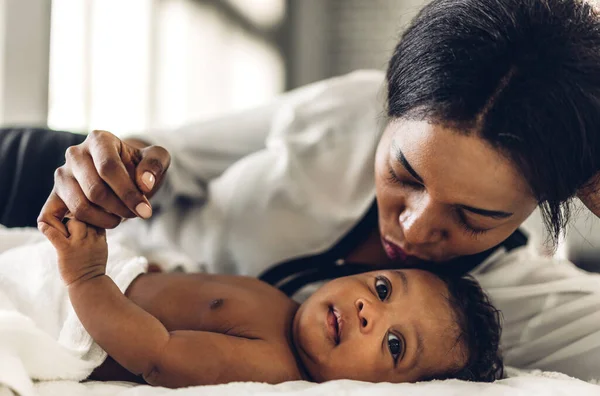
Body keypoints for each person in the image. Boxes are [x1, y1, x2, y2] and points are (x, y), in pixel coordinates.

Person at [2, 0, 600, 381]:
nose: (413, 230)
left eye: (474, 217)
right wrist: (129, 168)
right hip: (62, 201)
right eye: (404, 174)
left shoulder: (528, 309)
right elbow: (171, 154)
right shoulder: (348, 111)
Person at [0, 219, 503, 387]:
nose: (370, 311)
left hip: (78, 309)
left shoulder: (271, 363)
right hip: (106, 275)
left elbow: (158, 354)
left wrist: (86, 277)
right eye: (384, 289)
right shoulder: (282, 306)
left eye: (395, 345)